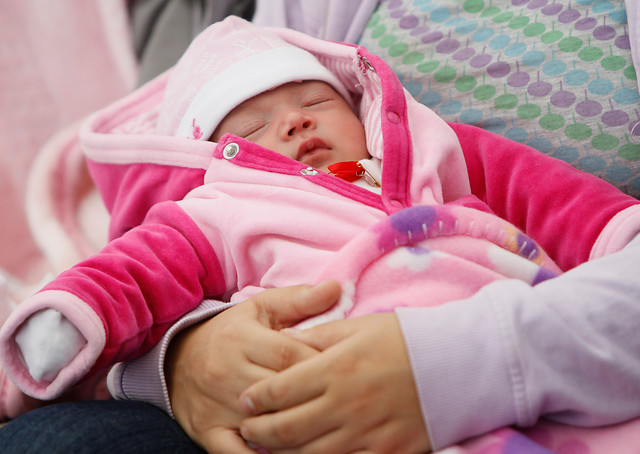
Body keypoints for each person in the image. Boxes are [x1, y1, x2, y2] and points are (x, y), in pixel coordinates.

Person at [2, 14, 640, 454]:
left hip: (522, 342)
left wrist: (617, 234)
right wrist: (72, 319)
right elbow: (134, 273)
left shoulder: (430, 155)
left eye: (314, 103)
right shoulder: (225, 206)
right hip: (318, 391)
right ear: (220, 158)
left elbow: (552, 197)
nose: (292, 124)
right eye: (252, 128)